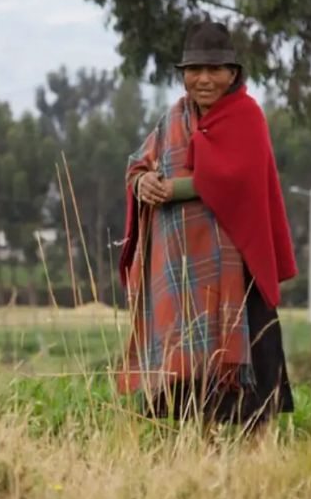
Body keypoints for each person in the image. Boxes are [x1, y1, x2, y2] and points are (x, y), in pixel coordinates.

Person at [118, 21, 298, 431]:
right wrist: (143, 182)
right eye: (194, 69)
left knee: (253, 361)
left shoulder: (247, 116)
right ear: (182, 74)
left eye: (215, 70)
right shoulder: (174, 119)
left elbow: (236, 178)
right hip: (185, 276)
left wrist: (175, 188)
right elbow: (138, 163)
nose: (204, 79)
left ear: (233, 74)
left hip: (240, 265)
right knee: (190, 372)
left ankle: (257, 453)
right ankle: (200, 446)